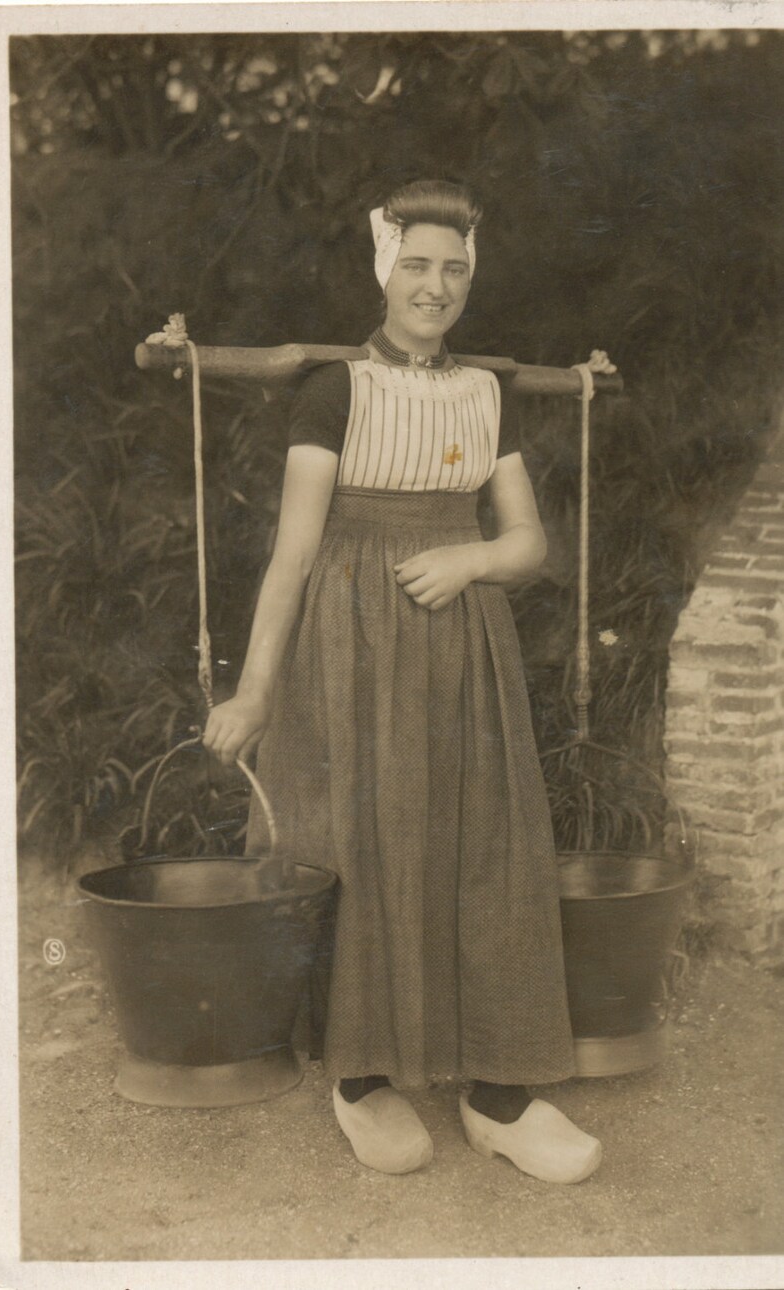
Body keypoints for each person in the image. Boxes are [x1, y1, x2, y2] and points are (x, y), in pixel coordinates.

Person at [203, 179, 602, 1184]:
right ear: (385, 269)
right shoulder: (333, 389)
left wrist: (470, 561)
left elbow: (527, 543)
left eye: (454, 270)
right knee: (361, 843)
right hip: (348, 644)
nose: (435, 287)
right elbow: (291, 558)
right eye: (417, 265)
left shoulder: (485, 393)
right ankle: (361, 1078)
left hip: (463, 646)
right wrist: (251, 694)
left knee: (485, 844)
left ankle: (497, 1092)